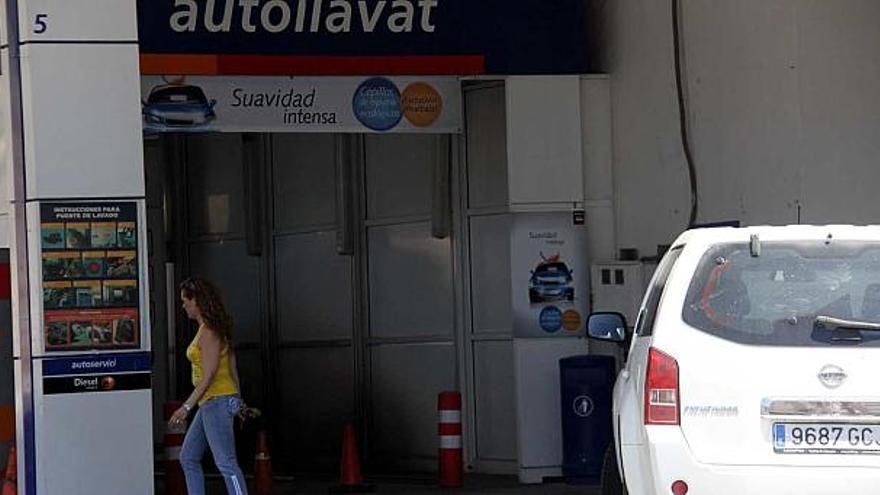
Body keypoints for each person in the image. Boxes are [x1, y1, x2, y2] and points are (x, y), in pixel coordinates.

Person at [169, 277, 249, 495]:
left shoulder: (210, 332)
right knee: (188, 457)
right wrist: (239, 400)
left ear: (196, 301)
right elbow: (232, 368)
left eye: (185, 301)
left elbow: (209, 375)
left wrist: (186, 407)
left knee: (226, 463)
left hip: (216, 401)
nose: (183, 306)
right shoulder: (210, 329)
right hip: (213, 402)